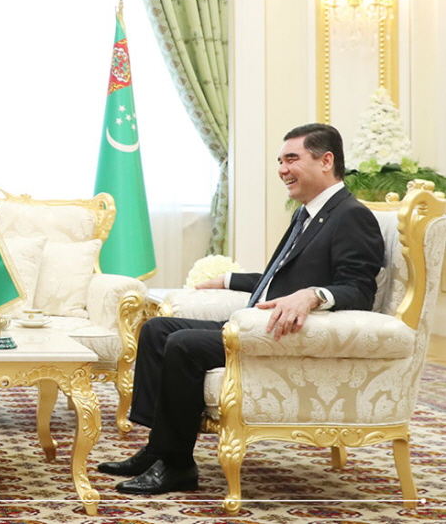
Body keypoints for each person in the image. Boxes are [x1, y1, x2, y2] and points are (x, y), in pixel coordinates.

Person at [98, 123, 384, 495]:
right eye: (280, 161)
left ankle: (177, 465)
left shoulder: (351, 215)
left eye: (292, 159)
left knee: (183, 344)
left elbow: (360, 289)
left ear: (326, 160)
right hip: (255, 323)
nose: (282, 169)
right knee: (157, 329)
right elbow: (278, 276)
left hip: (285, 335)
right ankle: (158, 449)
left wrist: (313, 295)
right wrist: (230, 280)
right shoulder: (309, 213)